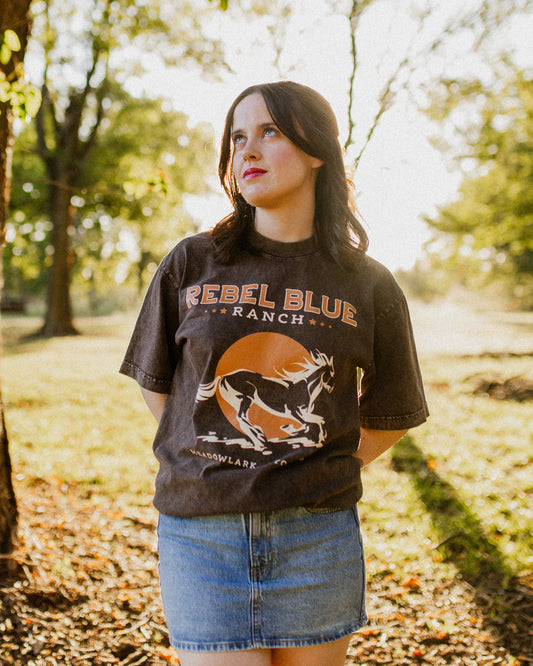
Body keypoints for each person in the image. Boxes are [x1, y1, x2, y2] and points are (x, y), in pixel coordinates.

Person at [119, 81, 429, 666]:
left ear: (317, 150)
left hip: (317, 539)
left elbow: (393, 410)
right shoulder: (193, 260)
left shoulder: (368, 283)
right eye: (237, 137)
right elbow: (156, 379)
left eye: (269, 132)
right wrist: (214, 446)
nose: (247, 151)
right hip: (200, 533)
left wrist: (313, 466)